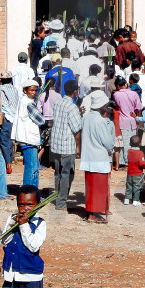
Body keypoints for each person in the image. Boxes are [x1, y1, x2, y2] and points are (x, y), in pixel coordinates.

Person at [48, 78, 83, 212]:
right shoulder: (72, 107)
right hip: (67, 145)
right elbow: (76, 129)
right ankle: (61, 202)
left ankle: (58, 198)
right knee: (67, 174)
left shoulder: (58, 103)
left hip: (56, 144)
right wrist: (78, 147)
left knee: (58, 173)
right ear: (75, 92)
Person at [80, 99, 117, 222]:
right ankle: (94, 214)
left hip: (88, 157)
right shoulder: (100, 121)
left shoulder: (86, 118)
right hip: (99, 158)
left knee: (90, 187)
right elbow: (107, 142)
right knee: (98, 188)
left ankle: (89, 212)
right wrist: (111, 150)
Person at [12, 82, 44, 191]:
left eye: (36, 90)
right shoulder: (29, 103)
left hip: (25, 138)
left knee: (32, 167)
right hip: (29, 139)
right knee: (32, 168)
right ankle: (29, 192)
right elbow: (40, 120)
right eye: (32, 90)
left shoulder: (22, 101)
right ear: (25, 90)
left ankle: (31, 192)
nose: (34, 93)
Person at [0, 72, 18, 169]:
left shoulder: (1, 89)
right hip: (15, 117)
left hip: (7, 116)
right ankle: (10, 159)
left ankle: (7, 163)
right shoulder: (14, 89)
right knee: (10, 140)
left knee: (4, 140)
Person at [125, 132, 145, 206]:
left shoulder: (129, 151)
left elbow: (126, 159)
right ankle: (135, 200)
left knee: (129, 186)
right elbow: (141, 163)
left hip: (130, 173)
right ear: (140, 143)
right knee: (136, 187)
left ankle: (127, 199)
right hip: (137, 173)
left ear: (130, 143)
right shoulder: (140, 153)